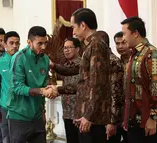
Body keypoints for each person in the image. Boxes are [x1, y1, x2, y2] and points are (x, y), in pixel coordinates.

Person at [50, 8, 112, 143]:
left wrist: (88, 115)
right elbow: (83, 79)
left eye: (74, 27)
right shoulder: (90, 46)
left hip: (93, 118)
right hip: (87, 114)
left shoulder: (95, 45)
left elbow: (96, 83)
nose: (73, 32)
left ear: (83, 25)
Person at [7, 26, 58, 143]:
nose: (43, 47)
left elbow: (44, 83)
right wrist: (41, 91)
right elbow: (17, 87)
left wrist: (50, 89)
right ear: (29, 42)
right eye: (39, 43)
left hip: (37, 116)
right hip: (19, 116)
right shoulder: (19, 58)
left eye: (45, 43)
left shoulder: (45, 59)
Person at [121, 16, 157, 143]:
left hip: (146, 121)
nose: (123, 38)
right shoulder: (134, 55)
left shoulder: (152, 54)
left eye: (125, 34)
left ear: (135, 33)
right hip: (133, 120)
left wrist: (152, 118)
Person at [0, 31, 20, 143]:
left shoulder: (23, 61)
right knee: (6, 138)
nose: (14, 46)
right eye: (11, 43)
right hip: (5, 108)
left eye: (17, 43)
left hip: (22, 109)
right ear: (5, 44)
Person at [96, 31, 125, 143]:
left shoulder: (112, 62)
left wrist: (112, 122)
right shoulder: (99, 60)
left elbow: (115, 93)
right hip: (100, 119)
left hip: (109, 119)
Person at [56, 37, 81, 143]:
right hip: (67, 113)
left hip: (80, 114)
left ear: (78, 49)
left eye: (69, 47)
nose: (66, 50)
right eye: (64, 48)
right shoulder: (64, 67)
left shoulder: (83, 65)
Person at [113, 31, 131, 143]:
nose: (120, 46)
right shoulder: (115, 63)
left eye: (123, 43)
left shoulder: (136, 62)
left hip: (133, 114)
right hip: (118, 115)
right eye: (117, 43)